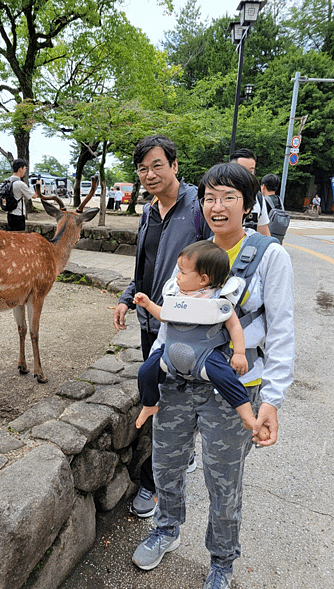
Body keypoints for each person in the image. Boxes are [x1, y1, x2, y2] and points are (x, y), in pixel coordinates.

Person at [132, 162, 294, 589]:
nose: (217, 207)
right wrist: (158, 370)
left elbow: (281, 332)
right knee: (166, 464)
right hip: (179, 382)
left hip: (232, 388)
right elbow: (171, 321)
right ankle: (166, 530)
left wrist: (271, 400)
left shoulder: (268, 256)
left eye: (228, 197)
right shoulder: (194, 252)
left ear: (248, 204)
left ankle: (222, 563)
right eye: (209, 198)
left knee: (223, 480)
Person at [113, 135, 211, 518]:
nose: (150, 174)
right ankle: (179, 456)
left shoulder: (198, 208)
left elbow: (214, 269)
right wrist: (126, 297)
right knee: (160, 399)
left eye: (156, 165)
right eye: (142, 169)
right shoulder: (148, 212)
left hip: (184, 328)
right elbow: (145, 269)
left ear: (173, 164)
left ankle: (154, 485)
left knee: (170, 405)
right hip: (148, 323)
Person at [133, 240, 269, 443]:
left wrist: (239, 353)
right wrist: (148, 304)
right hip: (169, 353)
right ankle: (148, 404)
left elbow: (234, 327)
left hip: (205, 356)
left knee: (226, 380)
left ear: (204, 279)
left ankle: (247, 415)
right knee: (145, 372)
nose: (177, 277)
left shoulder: (219, 299)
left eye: (182, 272)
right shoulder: (175, 294)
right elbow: (164, 315)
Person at [230, 148, 270, 236]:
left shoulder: (258, 198)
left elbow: (264, 232)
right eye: (243, 170)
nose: (247, 175)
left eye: (251, 171)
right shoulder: (218, 197)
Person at [7, 159, 35, 231]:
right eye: (24, 169)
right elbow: (34, 196)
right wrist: (39, 186)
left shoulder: (8, 181)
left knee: (11, 236)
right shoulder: (20, 184)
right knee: (19, 238)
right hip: (18, 215)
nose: (25, 171)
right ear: (20, 169)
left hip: (9, 214)